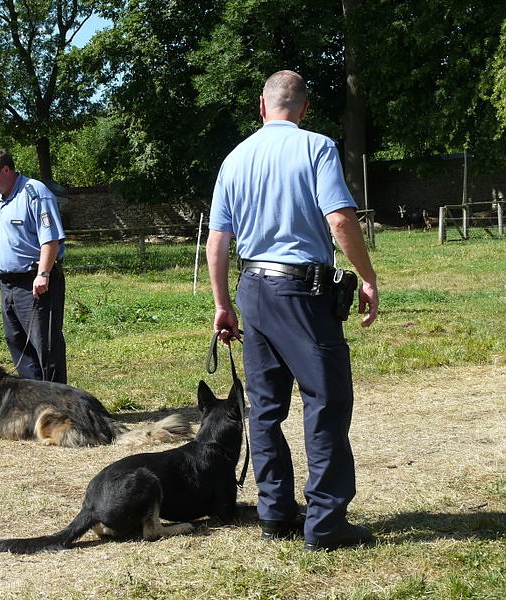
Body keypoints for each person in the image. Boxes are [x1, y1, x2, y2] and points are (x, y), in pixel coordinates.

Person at [206, 70, 379, 552]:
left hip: (252, 289)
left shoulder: (235, 158)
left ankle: (275, 514)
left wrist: (224, 304)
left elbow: (217, 240)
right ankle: (325, 523)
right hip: (302, 293)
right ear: (303, 109)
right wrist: (366, 276)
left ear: (262, 107)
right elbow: (340, 218)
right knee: (326, 401)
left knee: (265, 408)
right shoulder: (317, 147)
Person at [0, 149, 67, 383]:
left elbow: (51, 239)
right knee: (18, 344)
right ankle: (36, 402)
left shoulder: (35, 193)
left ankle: (58, 403)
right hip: (6, 285)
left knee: (45, 344)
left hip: (34, 283)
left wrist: (43, 274)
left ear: (6, 170)